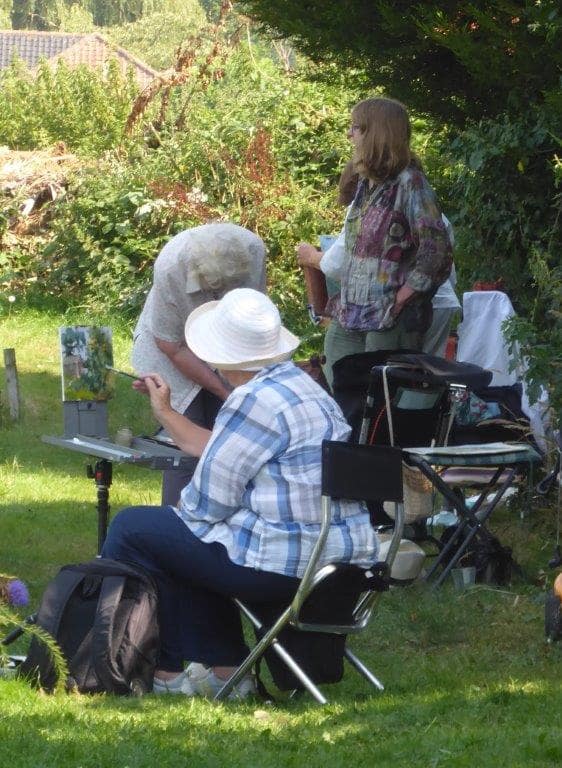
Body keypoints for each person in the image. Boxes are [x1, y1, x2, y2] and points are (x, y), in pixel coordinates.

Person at [103, 288, 379, 699]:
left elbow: (205, 504)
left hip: (286, 566)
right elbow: (225, 460)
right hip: (343, 564)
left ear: (219, 352)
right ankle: (224, 667)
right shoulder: (307, 388)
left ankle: (165, 667)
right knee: (185, 539)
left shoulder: (253, 400)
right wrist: (166, 412)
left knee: (134, 527)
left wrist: (184, 513)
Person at [297, 97, 452, 387]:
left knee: (380, 407)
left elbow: (437, 251)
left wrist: (403, 297)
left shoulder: (410, 183)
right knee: (341, 393)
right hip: (350, 313)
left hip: (388, 322)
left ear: (375, 133)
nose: (349, 135)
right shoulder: (368, 185)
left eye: (355, 127)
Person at [131, 222, 267, 505]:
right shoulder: (171, 265)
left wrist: (236, 391)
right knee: (186, 443)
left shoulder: (253, 251)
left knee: (234, 432)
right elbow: (171, 345)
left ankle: (228, 526)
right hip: (173, 347)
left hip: (232, 348)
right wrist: (222, 389)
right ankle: (176, 530)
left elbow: (252, 324)